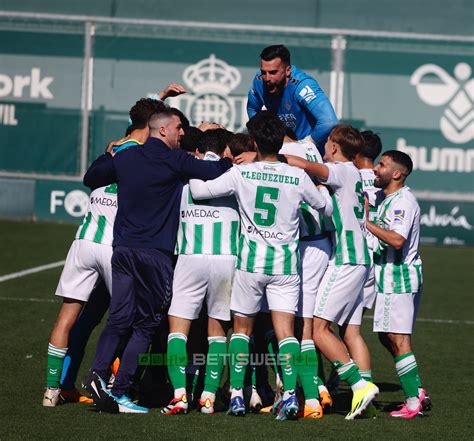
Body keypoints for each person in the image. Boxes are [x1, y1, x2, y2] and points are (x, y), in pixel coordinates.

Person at [82, 107, 232, 414]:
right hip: (155, 255)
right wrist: (231, 159)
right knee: (146, 325)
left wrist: (112, 152)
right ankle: (121, 390)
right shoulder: (175, 160)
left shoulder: (126, 156)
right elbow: (215, 172)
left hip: (122, 251)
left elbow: (91, 177)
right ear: (162, 130)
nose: (182, 133)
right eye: (179, 128)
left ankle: (99, 375)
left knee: (119, 318)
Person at [189, 111, 332, 420]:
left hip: (250, 265)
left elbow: (199, 191)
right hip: (285, 267)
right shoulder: (296, 176)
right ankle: (291, 396)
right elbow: (326, 208)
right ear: (280, 141)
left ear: (253, 142)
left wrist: (191, 167)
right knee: (286, 335)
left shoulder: (242, 173)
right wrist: (319, 184)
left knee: (241, 331)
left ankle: (238, 395)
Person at [42, 98, 161, 407]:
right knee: (129, 321)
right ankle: (112, 383)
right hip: (114, 250)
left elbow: (93, 173)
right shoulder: (140, 167)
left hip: (83, 244)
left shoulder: (107, 162)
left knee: (70, 317)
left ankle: (54, 389)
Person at [285, 124, 378, 420]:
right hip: (360, 260)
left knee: (319, 329)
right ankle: (361, 395)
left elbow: (302, 164)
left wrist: (271, 157)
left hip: (347, 260)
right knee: (350, 331)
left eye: (328, 144)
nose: (324, 147)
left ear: (335, 147)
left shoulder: (341, 170)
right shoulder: (356, 174)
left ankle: (359, 385)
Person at [162, 129, 240, 416]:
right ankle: (208, 396)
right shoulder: (234, 177)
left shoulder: (184, 181)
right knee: (217, 330)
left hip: (190, 259)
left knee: (178, 328)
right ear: (225, 152)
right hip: (226, 260)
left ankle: (180, 396)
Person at [366, 150, 431, 419]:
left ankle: (413, 399)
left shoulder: (403, 201)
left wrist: (366, 224)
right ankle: (416, 390)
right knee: (386, 336)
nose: (376, 168)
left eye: (381, 165)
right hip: (389, 277)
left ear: (396, 174)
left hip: (399, 278)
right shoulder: (386, 198)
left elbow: (396, 240)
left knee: (399, 339)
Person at [278, 133, 334, 418]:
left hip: (300, 243)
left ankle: (312, 395)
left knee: (301, 324)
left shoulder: (284, 149)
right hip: (319, 240)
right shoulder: (310, 145)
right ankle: (316, 387)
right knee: (303, 322)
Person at [337, 130, 382, 417]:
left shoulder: (347, 175)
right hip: (372, 260)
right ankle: (364, 390)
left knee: (319, 326)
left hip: (348, 254)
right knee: (353, 330)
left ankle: (339, 382)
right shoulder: (380, 183)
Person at [247, 45, 338, 153]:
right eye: (263, 72)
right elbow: (252, 109)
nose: (267, 78)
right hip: (280, 150)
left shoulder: (302, 86)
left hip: (312, 152)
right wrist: (261, 137)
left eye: (273, 73)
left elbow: (329, 121)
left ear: (288, 70)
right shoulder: (259, 81)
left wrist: (304, 145)